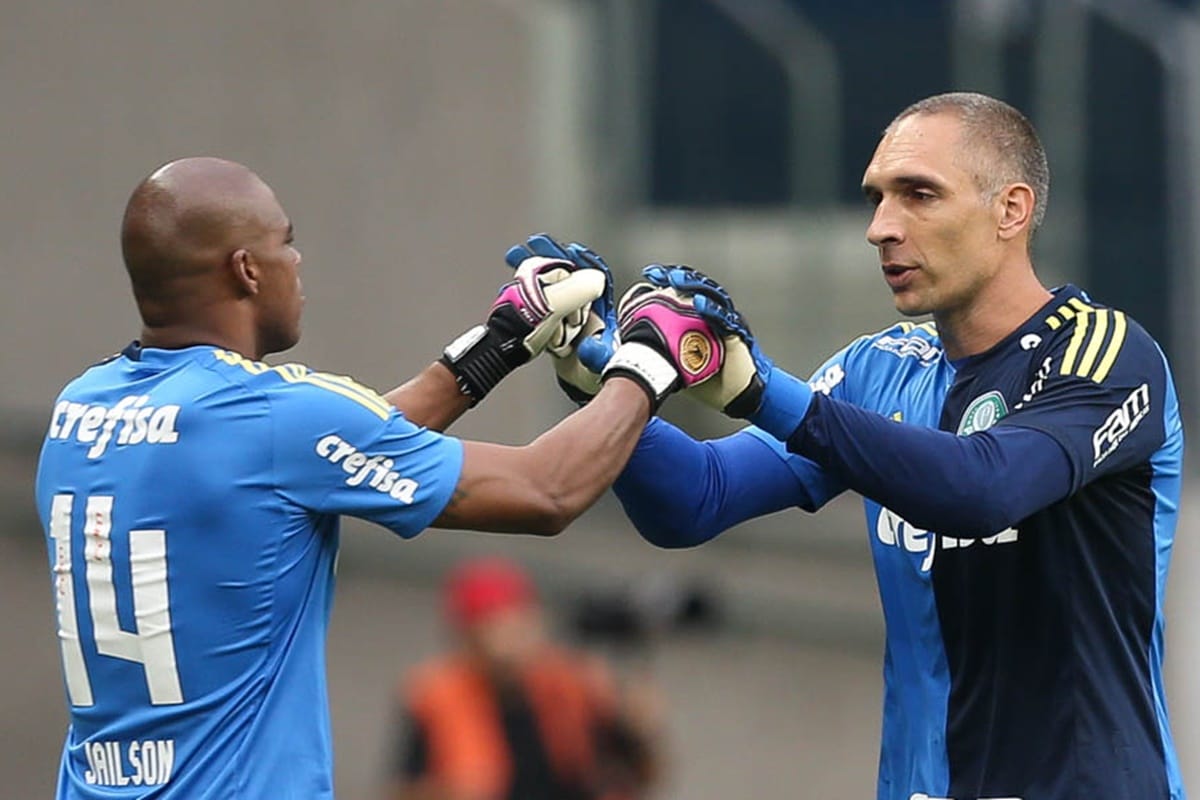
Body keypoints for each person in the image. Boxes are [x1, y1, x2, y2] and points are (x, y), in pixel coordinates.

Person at [543, 92, 1187, 800]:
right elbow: (696, 500)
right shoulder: (879, 368)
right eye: (877, 198)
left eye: (919, 195)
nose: (881, 227)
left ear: (1012, 209)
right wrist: (603, 373)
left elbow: (983, 491)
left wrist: (759, 391)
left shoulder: (1106, 353)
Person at [33, 157, 723, 799]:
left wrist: (500, 340)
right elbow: (547, 491)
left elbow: (337, 448)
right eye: (286, 243)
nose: (296, 262)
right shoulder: (276, 418)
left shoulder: (83, 408)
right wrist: (649, 362)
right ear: (246, 270)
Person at [384, 556, 663, 800]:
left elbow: (642, 776)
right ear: (465, 638)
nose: (508, 641)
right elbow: (400, 790)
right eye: (491, 628)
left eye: (516, 624)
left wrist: (641, 732)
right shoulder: (437, 696)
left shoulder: (572, 685)